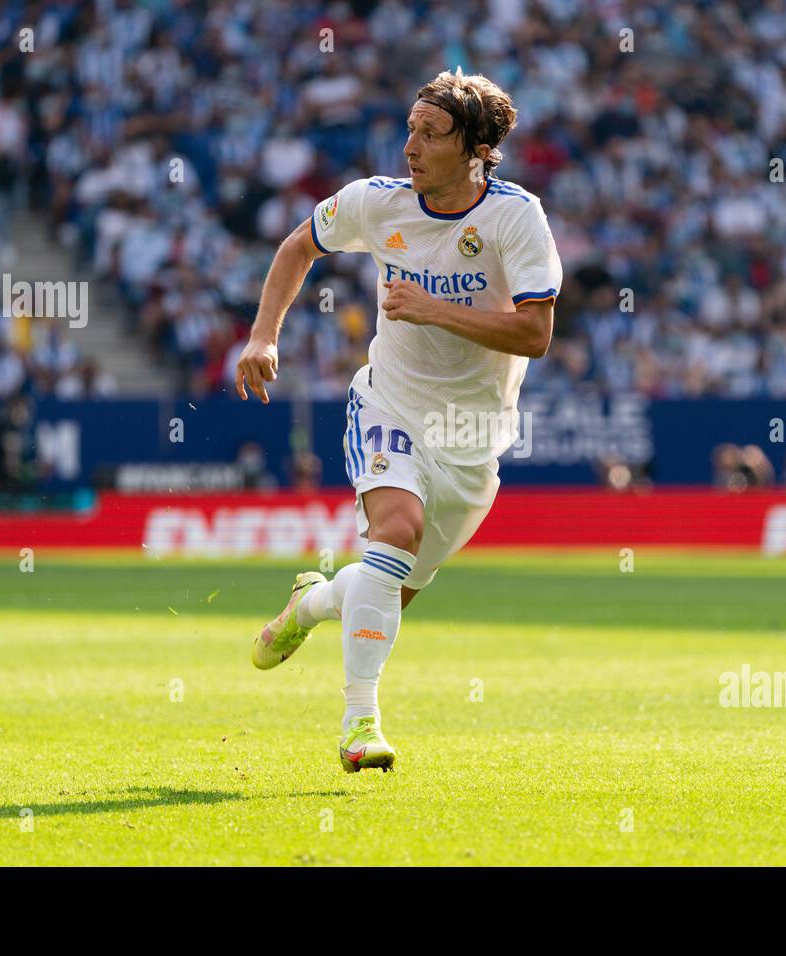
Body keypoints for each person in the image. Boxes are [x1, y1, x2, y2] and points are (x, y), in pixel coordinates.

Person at [235, 69, 562, 773]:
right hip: (391, 403)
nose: (410, 145)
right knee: (397, 533)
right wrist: (264, 335)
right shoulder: (375, 203)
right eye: (410, 128)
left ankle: (312, 602)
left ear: (475, 149)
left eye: (431, 134)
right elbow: (299, 246)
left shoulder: (515, 217)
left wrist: (432, 307)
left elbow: (535, 334)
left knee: (386, 584)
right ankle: (360, 725)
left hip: (474, 439)